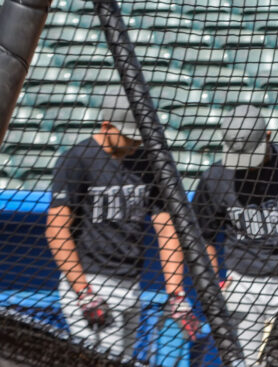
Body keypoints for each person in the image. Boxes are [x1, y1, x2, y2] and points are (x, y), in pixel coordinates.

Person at [45, 89, 200, 358]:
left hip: (131, 285)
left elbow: (166, 227)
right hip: (92, 283)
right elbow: (56, 230)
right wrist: (84, 292)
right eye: (129, 136)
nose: (136, 143)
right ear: (107, 126)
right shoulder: (77, 160)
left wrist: (176, 294)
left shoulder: (147, 161)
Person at [192, 105, 278, 366]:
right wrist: (215, 281)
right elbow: (201, 237)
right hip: (242, 284)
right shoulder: (215, 178)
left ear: (268, 136)